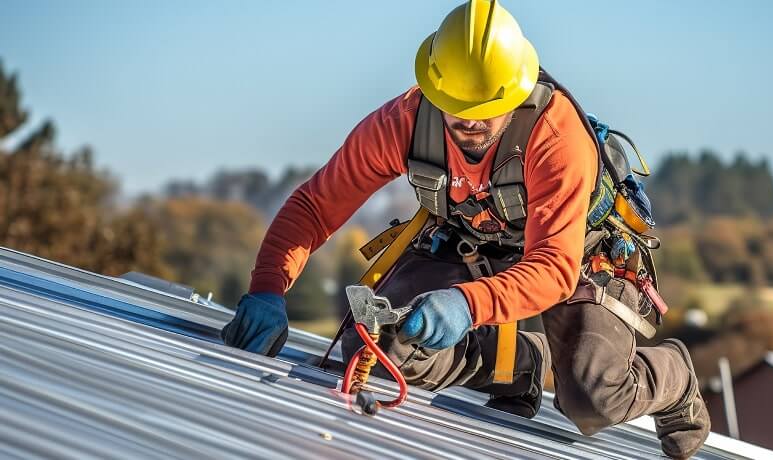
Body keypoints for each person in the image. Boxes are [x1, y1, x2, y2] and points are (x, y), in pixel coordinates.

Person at [222, 1, 709, 457]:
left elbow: (554, 269)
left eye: (487, 110)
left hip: (579, 257)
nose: (472, 123)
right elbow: (316, 204)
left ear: (515, 91)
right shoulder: (404, 122)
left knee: (593, 396)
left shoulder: (556, 138)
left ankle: (676, 378)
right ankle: (517, 363)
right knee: (378, 348)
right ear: (435, 90)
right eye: (458, 108)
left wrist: (467, 303)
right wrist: (269, 288)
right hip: (470, 243)